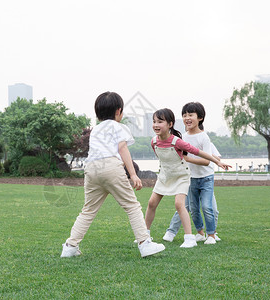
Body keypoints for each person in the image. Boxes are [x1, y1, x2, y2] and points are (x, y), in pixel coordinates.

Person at [61, 92, 165, 258]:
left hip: (91, 169)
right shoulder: (119, 127)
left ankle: (70, 246)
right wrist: (133, 175)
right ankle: (145, 244)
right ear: (119, 111)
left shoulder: (95, 130)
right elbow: (122, 149)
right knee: (132, 206)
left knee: (88, 210)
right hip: (110, 167)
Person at [143, 108, 230, 248]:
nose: (156, 125)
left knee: (180, 204)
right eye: (154, 122)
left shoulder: (177, 141)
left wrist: (217, 161)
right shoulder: (154, 142)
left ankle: (190, 238)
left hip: (181, 176)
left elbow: (199, 152)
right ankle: (144, 234)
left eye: (160, 121)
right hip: (165, 176)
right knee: (151, 203)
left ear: (170, 124)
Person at [180, 102, 230, 245]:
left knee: (207, 207)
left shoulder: (204, 137)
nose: (187, 118)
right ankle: (200, 233)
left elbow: (206, 161)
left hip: (206, 178)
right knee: (194, 209)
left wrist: (188, 158)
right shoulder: (183, 137)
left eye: (190, 115)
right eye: (184, 115)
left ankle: (211, 235)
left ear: (200, 118)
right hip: (191, 178)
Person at [162, 141, 222, 243]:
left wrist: (202, 154)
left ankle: (212, 233)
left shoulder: (206, 142)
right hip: (189, 179)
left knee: (211, 208)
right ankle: (172, 232)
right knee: (185, 206)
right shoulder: (183, 141)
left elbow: (216, 159)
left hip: (205, 179)